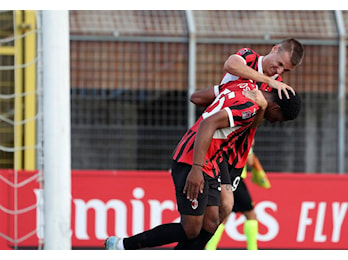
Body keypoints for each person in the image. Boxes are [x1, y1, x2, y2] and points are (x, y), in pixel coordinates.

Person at [104, 78, 302, 250]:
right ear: (275, 108)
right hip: (193, 160)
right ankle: (122, 245)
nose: (275, 122)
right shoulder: (249, 109)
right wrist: (196, 170)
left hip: (212, 162)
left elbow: (198, 97)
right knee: (191, 229)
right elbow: (208, 124)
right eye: (278, 119)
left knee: (212, 221)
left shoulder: (245, 85)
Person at [187, 38, 304, 249]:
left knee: (220, 212)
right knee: (219, 208)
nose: (277, 71)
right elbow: (230, 65)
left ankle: (199, 247)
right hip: (219, 146)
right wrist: (267, 82)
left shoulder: (273, 83)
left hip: (238, 153)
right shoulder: (249, 59)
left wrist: (260, 107)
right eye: (278, 64)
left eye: (284, 69)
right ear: (274, 49)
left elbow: (253, 124)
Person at [205, 142, 268, 250]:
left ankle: (210, 248)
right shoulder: (244, 139)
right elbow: (250, 161)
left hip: (222, 180)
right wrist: (251, 149)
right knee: (250, 215)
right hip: (236, 181)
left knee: (224, 216)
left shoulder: (225, 138)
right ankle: (252, 250)